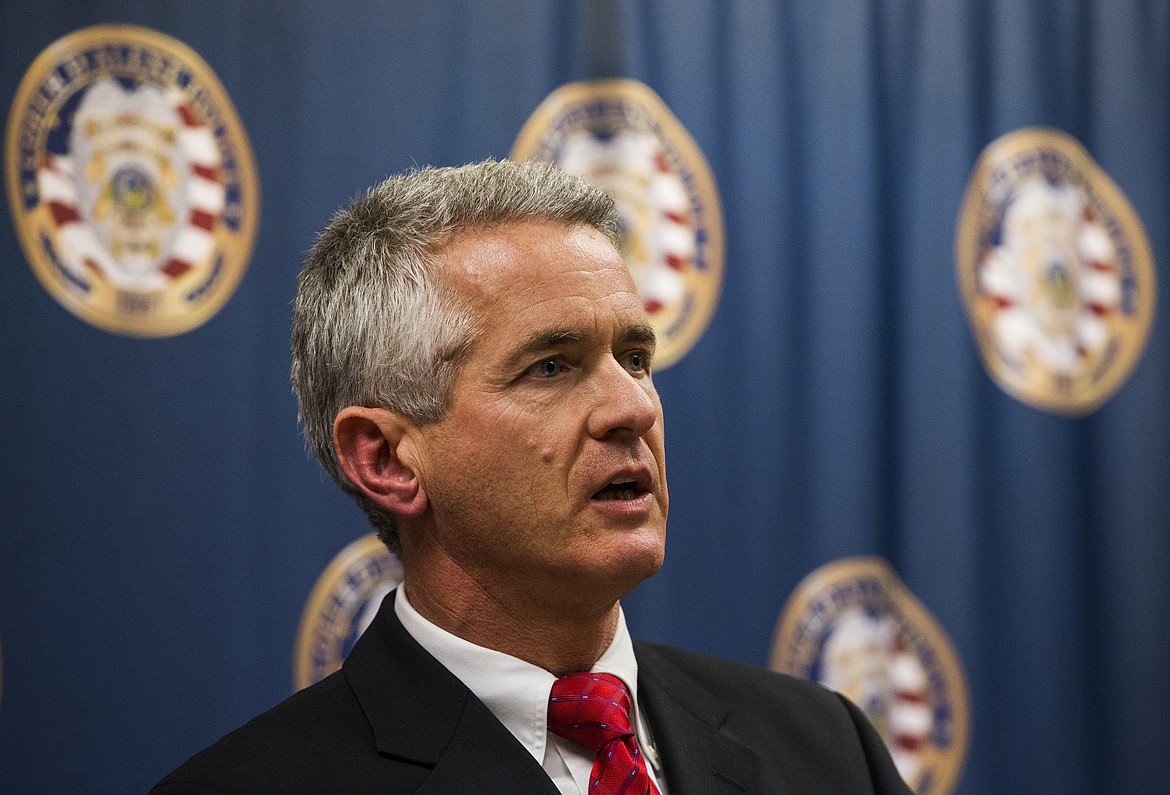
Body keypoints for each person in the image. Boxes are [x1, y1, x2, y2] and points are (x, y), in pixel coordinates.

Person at [152, 159, 911, 794]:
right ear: (386, 459)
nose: (632, 406)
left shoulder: (829, 751)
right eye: (551, 366)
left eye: (636, 358)